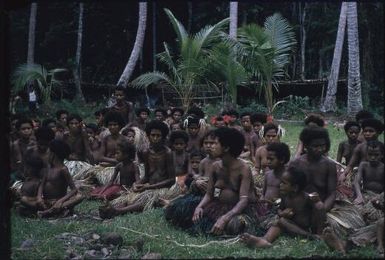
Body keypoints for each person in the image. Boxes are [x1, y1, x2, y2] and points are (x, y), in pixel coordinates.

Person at [99, 120, 176, 218]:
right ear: (148, 136)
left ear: (163, 137)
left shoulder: (168, 153)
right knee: (129, 197)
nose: (155, 138)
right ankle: (111, 209)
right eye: (153, 135)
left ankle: (119, 211)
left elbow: (171, 180)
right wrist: (138, 183)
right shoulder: (146, 152)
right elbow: (147, 176)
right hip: (149, 186)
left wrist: (148, 187)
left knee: (147, 199)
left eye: (158, 135)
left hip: (163, 189)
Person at [240, 166, 327, 248]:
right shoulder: (285, 196)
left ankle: (316, 236)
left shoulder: (306, 198)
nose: (280, 185)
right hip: (291, 225)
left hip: (306, 228)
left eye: (284, 183)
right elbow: (280, 209)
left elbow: (320, 208)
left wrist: (318, 202)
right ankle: (265, 240)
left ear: (295, 187)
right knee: (279, 223)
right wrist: (283, 213)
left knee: (319, 206)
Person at [37, 140, 84, 217]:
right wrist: (39, 197)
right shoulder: (47, 168)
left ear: (53, 154)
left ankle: (49, 212)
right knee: (25, 199)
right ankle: (60, 211)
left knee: (80, 197)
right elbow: (41, 184)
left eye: (48, 153)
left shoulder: (63, 169)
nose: (46, 155)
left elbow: (74, 189)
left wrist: (60, 201)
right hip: (45, 201)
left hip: (58, 202)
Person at [353, 140, 384, 224]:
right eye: (370, 154)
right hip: (365, 195)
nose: (373, 157)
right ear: (366, 154)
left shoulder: (383, 168)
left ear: (382, 155)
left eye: (376, 155)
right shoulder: (363, 165)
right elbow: (357, 182)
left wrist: (379, 197)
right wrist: (359, 196)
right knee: (356, 212)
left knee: (376, 214)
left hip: (379, 197)